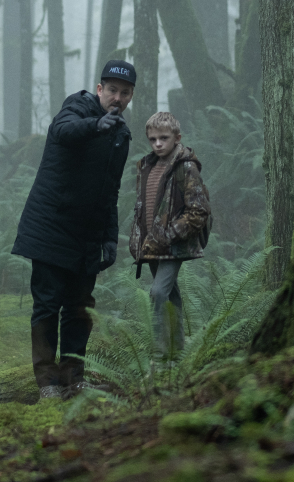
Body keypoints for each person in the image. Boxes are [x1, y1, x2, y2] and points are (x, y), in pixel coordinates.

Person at [12, 60, 136, 399]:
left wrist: (110, 237)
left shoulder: (121, 136)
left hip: (87, 234)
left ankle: (73, 377)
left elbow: (110, 190)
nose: (117, 98)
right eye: (111, 90)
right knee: (48, 303)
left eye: (124, 93)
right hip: (50, 225)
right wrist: (97, 124)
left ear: (130, 97)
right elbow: (65, 132)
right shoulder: (76, 108)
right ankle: (47, 382)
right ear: (99, 90)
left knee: (80, 305)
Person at [128, 112, 211, 358]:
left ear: (177, 137)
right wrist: (142, 239)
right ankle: (178, 354)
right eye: (152, 139)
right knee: (171, 295)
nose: (158, 144)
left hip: (173, 243)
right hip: (152, 244)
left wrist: (168, 235)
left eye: (163, 138)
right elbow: (143, 207)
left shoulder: (186, 166)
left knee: (157, 293)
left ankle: (159, 356)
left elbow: (199, 210)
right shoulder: (145, 166)